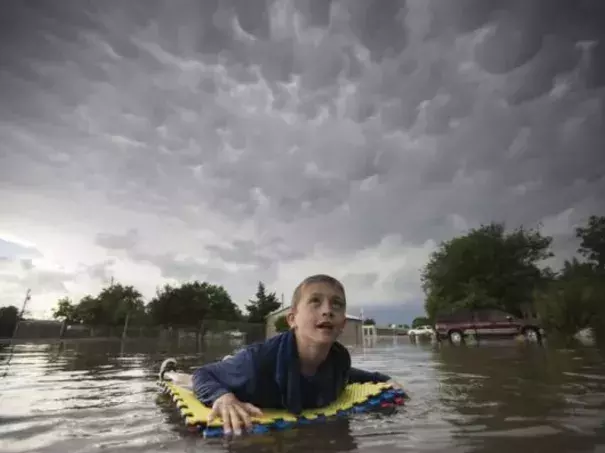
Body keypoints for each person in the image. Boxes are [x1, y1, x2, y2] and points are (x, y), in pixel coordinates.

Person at [158, 274, 405, 436]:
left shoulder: (339, 360)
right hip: (247, 372)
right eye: (316, 302)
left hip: (254, 371)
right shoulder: (256, 364)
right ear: (292, 320)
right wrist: (223, 398)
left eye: (337, 304)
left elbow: (348, 375)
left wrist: (382, 378)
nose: (328, 311)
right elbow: (205, 373)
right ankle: (169, 371)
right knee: (192, 381)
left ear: (342, 323)